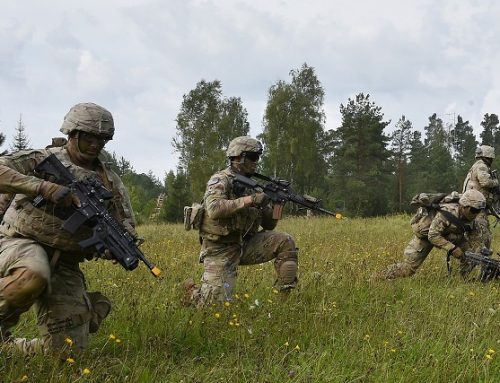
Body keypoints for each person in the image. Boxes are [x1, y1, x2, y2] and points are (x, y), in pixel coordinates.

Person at [0, 103, 137, 356]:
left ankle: (8, 348)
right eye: (88, 138)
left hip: (64, 262)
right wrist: (42, 188)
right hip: (18, 241)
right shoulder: (40, 159)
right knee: (33, 273)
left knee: (68, 353)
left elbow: (126, 224)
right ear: (72, 134)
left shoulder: (109, 181)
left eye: (102, 140)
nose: (95, 145)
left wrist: (112, 245)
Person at [185, 136, 299, 306]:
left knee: (285, 241)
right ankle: (191, 294)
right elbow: (214, 209)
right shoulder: (220, 180)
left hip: (245, 244)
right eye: (253, 157)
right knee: (214, 307)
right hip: (220, 248)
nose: (256, 162)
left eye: (257, 158)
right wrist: (250, 200)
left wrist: (277, 204)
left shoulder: (253, 186)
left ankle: (283, 301)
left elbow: (269, 225)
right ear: (238, 157)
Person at [374, 189, 486, 280]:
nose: (476, 213)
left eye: (479, 210)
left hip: (450, 236)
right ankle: (378, 277)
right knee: (408, 269)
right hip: (427, 236)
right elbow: (433, 236)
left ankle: (462, 279)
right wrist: (452, 249)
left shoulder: (473, 220)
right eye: (474, 210)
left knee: (471, 255)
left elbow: (476, 239)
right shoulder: (447, 213)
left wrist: (477, 253)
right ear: (463, 206)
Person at [462, 145, 499, 250]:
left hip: (473, 206)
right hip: (475, 208)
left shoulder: (476, 166)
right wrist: (496, 182)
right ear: (488, 157)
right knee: (482, 236)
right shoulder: (481, 166)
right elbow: (485, 182)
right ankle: (479, 261)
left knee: (482, 236)